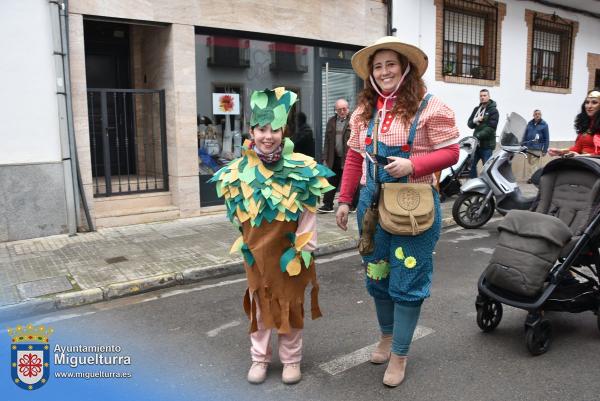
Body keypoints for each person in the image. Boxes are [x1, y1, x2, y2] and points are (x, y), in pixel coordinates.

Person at [335, 36, 459, 387]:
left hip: (413, 205)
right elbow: (355, 157)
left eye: (391, 64)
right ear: (371, 73)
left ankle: (400, 354)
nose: (384, 71)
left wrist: (414, 164)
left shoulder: (431, 106)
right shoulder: (364, 111)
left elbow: (452, 153)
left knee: (407, 278)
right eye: (378, 66)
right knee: (377, 275)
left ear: (405, 68)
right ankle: (386, 337)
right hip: (370, 203)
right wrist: (344, 200)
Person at [210, 88, 334, 385]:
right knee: (260, 305)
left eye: (274, 130)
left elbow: (308, 212)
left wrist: (305, 247)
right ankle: (260, 359)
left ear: (283, 131)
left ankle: (291, 360)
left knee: (290, 305)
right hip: (256, 253)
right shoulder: (237, 172)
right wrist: (246, 243)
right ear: (252, 131)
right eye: (262, 129)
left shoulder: (302, 169)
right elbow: (237, 214)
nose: (268, 136)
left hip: (290, 250)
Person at [318, 98, 358, 213]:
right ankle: (327, 205)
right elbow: (327, 141)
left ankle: (352, 205)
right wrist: (325, 158)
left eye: (344, 109)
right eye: (339, 109)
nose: (342, 111)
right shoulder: (331, 121)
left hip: (349, 157)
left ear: (348, 108)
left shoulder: (353, 121)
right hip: (334, 157)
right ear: (335, 110)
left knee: (351, 180)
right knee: (331, 181)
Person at [548, 90, 600, 157]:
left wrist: (581, 156)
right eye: (587, 102)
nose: (589, 106)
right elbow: (577, 148)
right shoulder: (585, 125)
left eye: (594, 102)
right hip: (584, 163)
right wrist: (561, 151)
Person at [467, 89, 499, 178]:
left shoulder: (493, 110)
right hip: (476, 145)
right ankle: (473, 184)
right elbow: (469, 124)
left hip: (487, 146)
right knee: (471, 165)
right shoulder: (476, 109)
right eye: (481, 96)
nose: (482, 97)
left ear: (489, 97)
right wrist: (475, 120)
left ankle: (487, 187)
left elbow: (491, 128)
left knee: (487, 168)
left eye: (484, 95)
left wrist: (477, 136)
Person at [521, 109, 549, 181]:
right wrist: (522, 145)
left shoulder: (544, 125)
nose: (537, 115)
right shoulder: (529, 123)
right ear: (533, 115)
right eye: (536, 114)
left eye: (539, 114)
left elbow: (547, 138)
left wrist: (544, 150)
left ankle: (532, 178)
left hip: (537, 147)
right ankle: (532, 177)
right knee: (529, 163)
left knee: (534, 164)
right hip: (528, 147)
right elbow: (525, 135)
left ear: (541, 115)